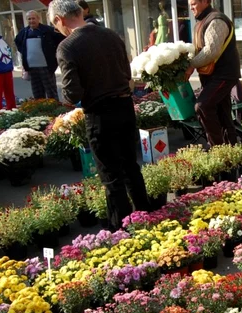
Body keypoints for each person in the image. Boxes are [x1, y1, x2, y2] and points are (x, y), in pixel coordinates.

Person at [49, 0, 150, 231]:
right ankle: (147, 217)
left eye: (56, 26)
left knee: (111, 175)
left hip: (100, 114)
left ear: (60, 20)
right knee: (130, 167)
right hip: (125, 107)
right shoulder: (111, 35)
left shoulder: (67, 47)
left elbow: (72, 94)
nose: (58, 31)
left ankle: (120, 231)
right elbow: (127, 73)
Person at [185, 0, 241, 146]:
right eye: (190, 4)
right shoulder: (202, 21)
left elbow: (211, 51)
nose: (191, 7)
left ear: (205, 1)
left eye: (194, 3)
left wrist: (191, 65)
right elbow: (199, 50)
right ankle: (232, 155)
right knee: (223, 115)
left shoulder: (216, 20)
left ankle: (217, 149)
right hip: (213, 76)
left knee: (202, 105)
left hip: (223, 74)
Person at [14, 10, 65, 100]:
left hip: (46, 67)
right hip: (32, 68)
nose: (31, 21)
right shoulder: (24, 32)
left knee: (51, 93)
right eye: (29, 19)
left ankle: (55, 111)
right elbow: (17, 42)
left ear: (38, 18)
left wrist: (55, 54)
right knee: (37, 94)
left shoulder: (48, 30)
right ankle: (41, 112)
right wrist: (25, 52)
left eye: (33, 18)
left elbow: (61, 39)